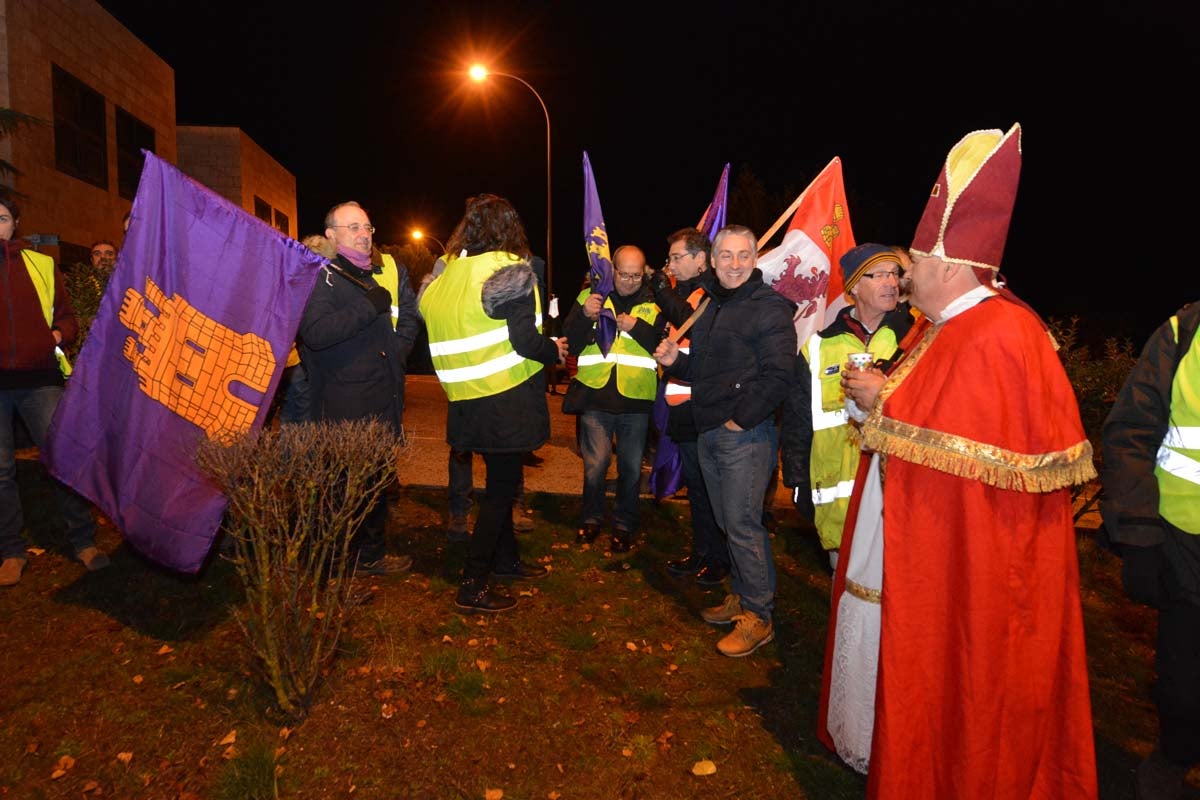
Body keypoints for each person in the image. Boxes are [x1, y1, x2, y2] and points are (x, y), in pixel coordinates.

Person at [834, 123, 1097, 796]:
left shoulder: (1005, 335)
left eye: (915, 263)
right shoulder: (943, 329)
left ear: (949, 266)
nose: (907, 275)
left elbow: (970, 450)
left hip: (976, 571)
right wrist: (882, 400)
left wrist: (883, 405)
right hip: (927, 550)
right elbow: (932, 418)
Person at [653, 224, 796, 658]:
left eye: (743, 255)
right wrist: (678, 359)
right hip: (709, 430)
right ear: (712, 261)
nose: (734, 264)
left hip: (743, 436)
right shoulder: (715, 304)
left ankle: (758, 616)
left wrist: (740, 420)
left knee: (742, 526)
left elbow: (778, 376)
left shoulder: (768, 308)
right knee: (726, 523)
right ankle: (742, 596)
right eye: (726, 256)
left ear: (755, 259)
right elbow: (708, 370)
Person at [420, 193, 566, 612]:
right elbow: (524, 340)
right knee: (501, 493)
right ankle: (473, 584)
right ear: (510, 229)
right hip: (505, 403)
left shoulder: (445, 278)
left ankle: (507, 561)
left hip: (466, 405)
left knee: (499, 487)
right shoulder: (509, 272)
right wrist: (552, 349)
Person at [1101, 300, 1200, 800]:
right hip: (1185, 542)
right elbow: (1131, 433)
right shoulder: (1184, 333)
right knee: (1184, 685)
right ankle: (1175, 754)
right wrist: (1139, 536)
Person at [297, 201, 419, 577]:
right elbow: (315, 334)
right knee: (343, 492)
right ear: (331, 234)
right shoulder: (322, 276)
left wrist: (394, 357)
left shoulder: (364, 276)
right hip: (345, 407)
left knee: (374, 485)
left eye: (367, 228)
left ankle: (370, 555)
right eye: (353, 228)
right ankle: (335, 570)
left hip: (378, 399)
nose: (364, 235)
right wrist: (368, 307)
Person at [780, 242, 918, 570]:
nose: (891, 282)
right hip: (835, 500)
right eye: (879, 275)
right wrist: (798, 483)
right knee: (843, 595)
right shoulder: (818, 347)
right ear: (854, 287)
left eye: (894, 274)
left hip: (898, 496)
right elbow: (798, 421)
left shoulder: (913, 338)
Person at [0, 194, 109, 586]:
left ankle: (83, 541)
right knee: (1, 472)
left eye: (2, 218)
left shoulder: (41, 264)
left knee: (63, 460)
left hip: (40, 380)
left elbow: (66, 314)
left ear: (15, 224)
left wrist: (58, 335)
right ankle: (11, 552)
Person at [421, 252, 535, 542]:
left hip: (500, 380)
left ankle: (514, 508)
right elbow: (426, 309)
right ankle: (460, 513)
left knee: (508, 456)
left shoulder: (509, 259)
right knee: (461, 453)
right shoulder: (447, 263)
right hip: (465, 383)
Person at [562, 244, 665, 552]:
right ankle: (591, 520)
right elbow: (572, 342)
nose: (630, 281)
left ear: (644, 273)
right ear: (613, 270)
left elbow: (662, 345)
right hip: (595, 395)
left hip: (636, 400)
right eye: (624, 274)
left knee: (631, 469)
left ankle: (624, 525)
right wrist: (583, 314)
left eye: (636, 275)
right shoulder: (590, 297)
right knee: (596, 465)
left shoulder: (656, 303)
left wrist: (636, 327)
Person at [650, 228, 727, 585]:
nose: (671, 265)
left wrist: (662, 291)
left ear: (700, 259)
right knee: (695, 487)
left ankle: (717, 559)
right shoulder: (682, 292)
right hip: (680, 403)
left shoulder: (711, 291)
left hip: (701, 405)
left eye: (677, 258)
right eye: (670, 259)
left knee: (708, 487)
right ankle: (701, 552)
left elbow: (689, 322)